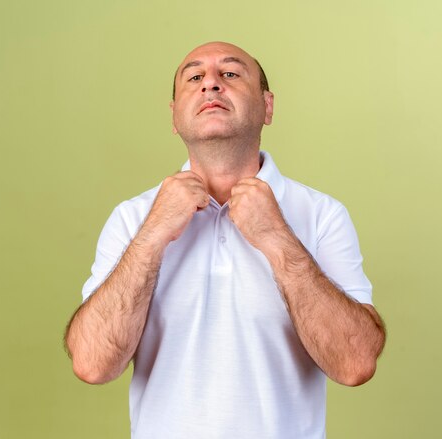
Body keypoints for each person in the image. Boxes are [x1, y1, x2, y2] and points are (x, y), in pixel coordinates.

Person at [64, 41, 386, 439]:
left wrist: (276, 236)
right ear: (174, 117)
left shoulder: (322, 215)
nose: (211, 84)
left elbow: (354, 364)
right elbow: (93, 364)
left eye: (230, 74)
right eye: (195, 77)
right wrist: (153, 235)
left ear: (268, 107)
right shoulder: (132, 219)